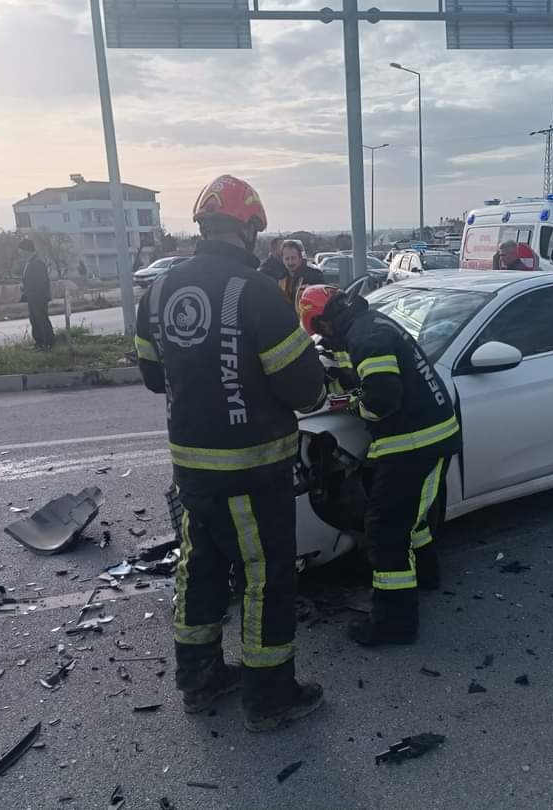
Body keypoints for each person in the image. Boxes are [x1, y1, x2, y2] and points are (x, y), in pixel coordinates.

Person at [134, 174, 329, 731]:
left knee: (200, 569)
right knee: (266, 577)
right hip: (254, 468)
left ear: (202, 227)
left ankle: (199, 681)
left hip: (190, 468)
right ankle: (270, 697)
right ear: (250, 230)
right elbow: (306, 390)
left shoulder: (159, 291)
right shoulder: (257, 292)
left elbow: (153, 377)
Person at [298, 285, 461, 647]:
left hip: (414, 442)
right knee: (412, 517)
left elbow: (383, 399)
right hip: (431, 434)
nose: (324, 337)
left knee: (386, 529)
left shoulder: (366, 337)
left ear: (325, 321)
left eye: (319, 329)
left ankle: (393, 622)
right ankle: (427, 575)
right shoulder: (369, 324)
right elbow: (368, 374)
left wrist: (352, 403)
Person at [19, 239, 55, 349]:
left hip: (38, 297)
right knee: (34, 320)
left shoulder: (37, 263)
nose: (20, 253)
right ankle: (39, 343)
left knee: (42, 320)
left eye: (21, 250)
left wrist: (34, 292)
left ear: (26, 250)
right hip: (32, 297)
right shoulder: (30, 262)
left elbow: (41, 282)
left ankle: (47, 343)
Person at [274, 240, 323, 306]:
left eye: (293, 258)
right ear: (282, 260)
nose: (290, 262)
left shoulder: (315, 276)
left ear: (300, 258)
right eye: (287, 259)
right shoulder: (279, 278)